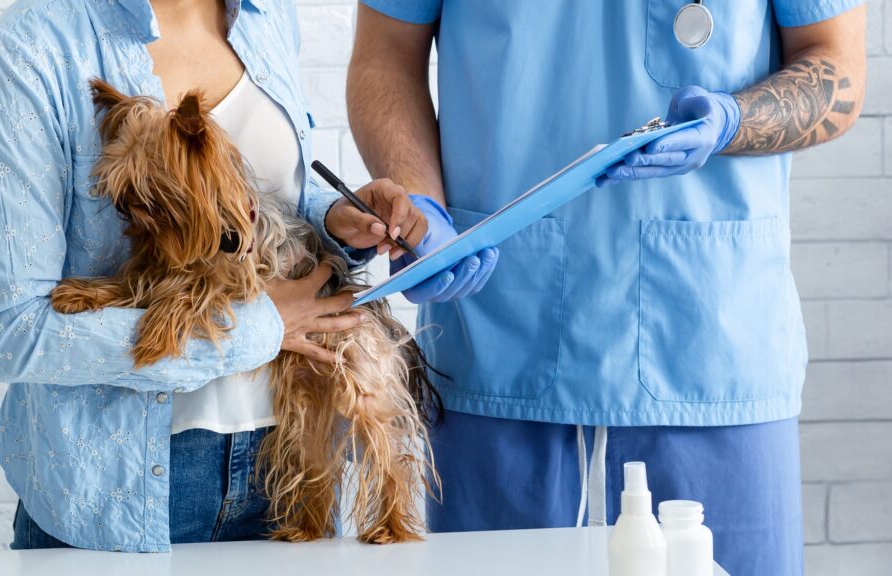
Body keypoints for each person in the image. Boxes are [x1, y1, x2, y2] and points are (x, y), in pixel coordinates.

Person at [346, 1, 866, 573]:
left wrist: (733, 119)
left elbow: (835, 62)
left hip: (711, 344)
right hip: (499, 337)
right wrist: (421, 205)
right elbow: (386, 55)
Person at [0, 0, 492, 552]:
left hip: (288, 462)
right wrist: (261, 328)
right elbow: (12, 334)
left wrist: (334, 218)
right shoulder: (34, 48)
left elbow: (260, 200)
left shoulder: (266, 17)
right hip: (123, 488)